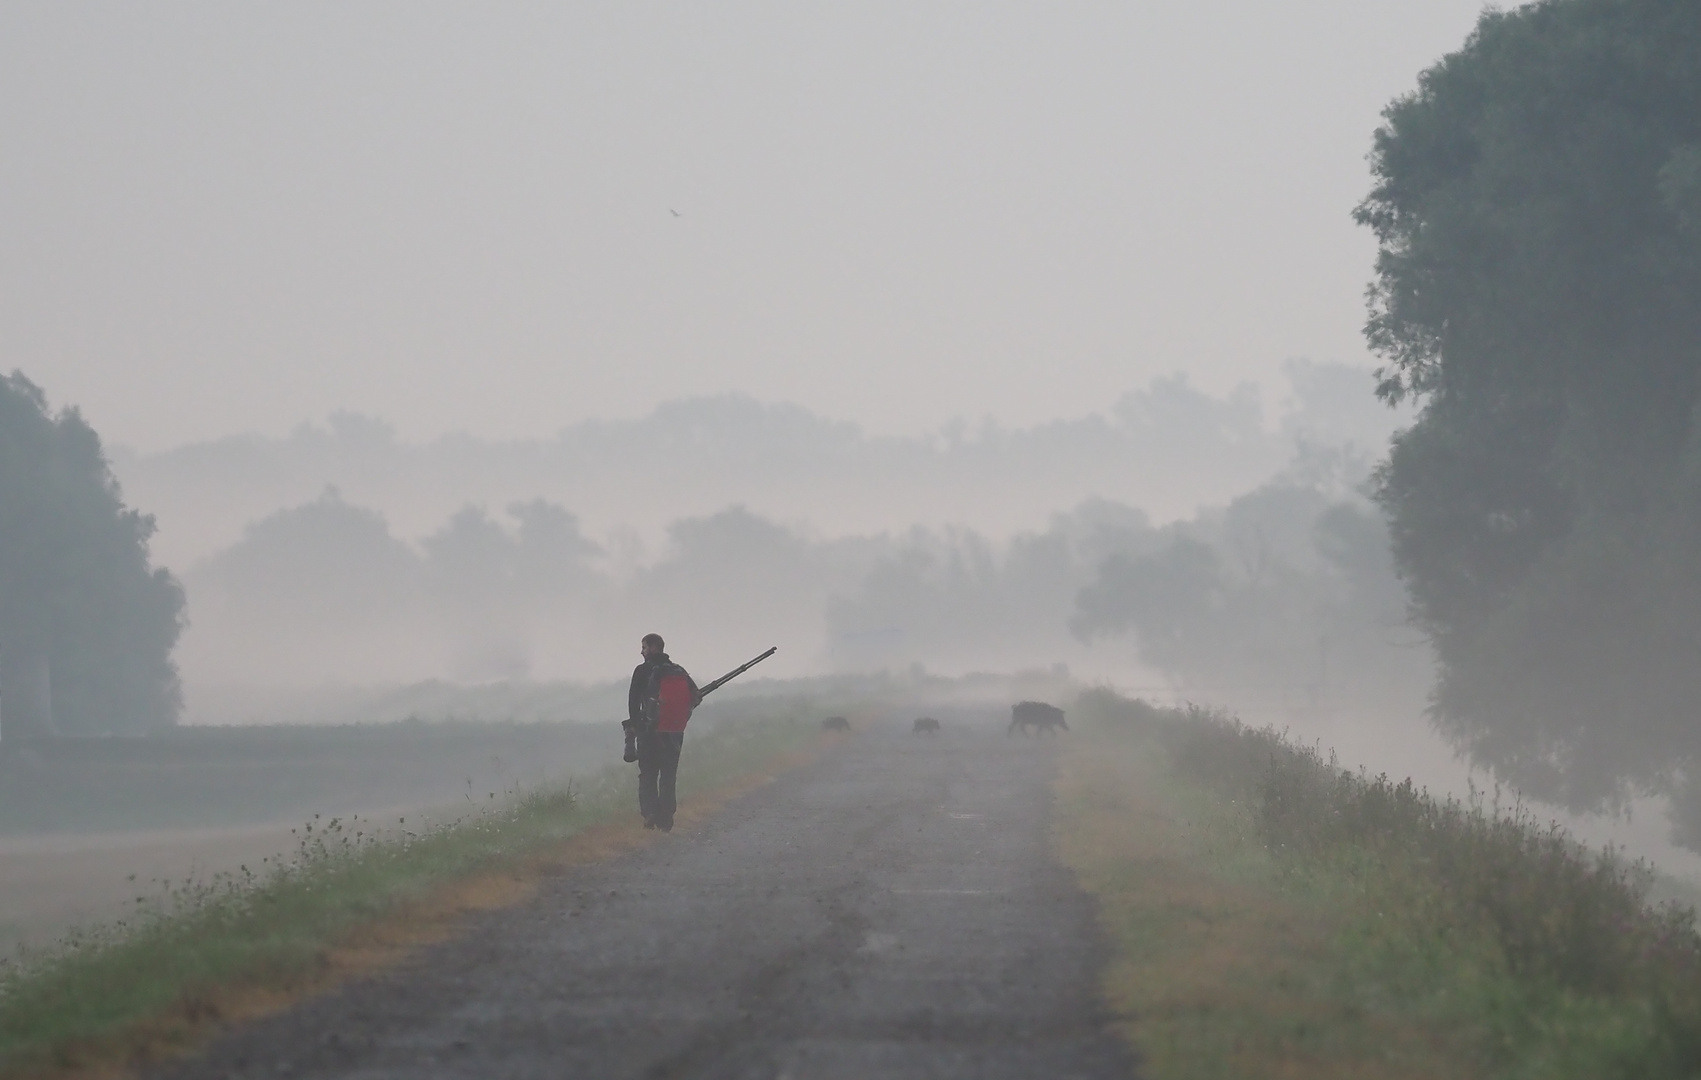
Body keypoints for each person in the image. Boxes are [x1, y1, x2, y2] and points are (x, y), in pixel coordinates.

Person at [624, 633, 701, 831]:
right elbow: (696, 696)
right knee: (668, 775)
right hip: (674, 731)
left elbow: (633, 702)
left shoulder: (642, 670)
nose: (642, 651)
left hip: (649, 731)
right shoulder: (678, 671)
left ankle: (650, 813)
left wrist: (635, 726)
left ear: (654, 647)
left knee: (648, 773)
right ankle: (666, 819)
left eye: (644, 647)